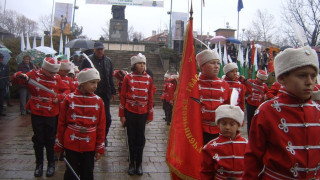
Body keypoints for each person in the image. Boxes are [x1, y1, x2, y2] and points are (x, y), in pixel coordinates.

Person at [243, 46, 320, 179]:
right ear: (282, 78)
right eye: (302, 75)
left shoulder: (317, 110)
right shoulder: (267, 111)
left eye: (313, 76)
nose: (309, 82)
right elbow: (253, 158)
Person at [11, 57, 70, 177]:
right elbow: (17, 81)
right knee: (38, 139)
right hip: (37, 111)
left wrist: (59, 97)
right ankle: (39, 165)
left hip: (51, 112)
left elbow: (67, 90)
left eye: (55, 72)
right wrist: (19, 75)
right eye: (51, 72)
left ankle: (51, 165)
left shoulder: (57, 78)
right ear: (43, 68)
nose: (53, 74)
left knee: (50, 139)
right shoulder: (33, 74)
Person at [55, 68, 106, 180]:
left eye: (97, 82)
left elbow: (101, 125)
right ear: (82, 83)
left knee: (87, 172)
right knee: (70, 173)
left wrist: (99, 147)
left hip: (89, 144)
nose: (95, 86)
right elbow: (62, 122)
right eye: (92, 82)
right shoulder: (69, 99)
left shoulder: (99, 101)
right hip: (71, 143)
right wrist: (59, 144)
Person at [119, 53, 153, 176]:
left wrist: (150, 114)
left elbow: (150, 97)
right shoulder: (127, 78)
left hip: (143, 113)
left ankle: (139, 163)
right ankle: (131, 164)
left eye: (143, 63)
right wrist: (122, 115)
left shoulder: (149, 78)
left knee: (140, 139)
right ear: (134, 65)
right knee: (131, 138)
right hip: (130, 111)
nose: (142, 65)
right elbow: (122, 97)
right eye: (140, 63)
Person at [80, 41, 116, 146]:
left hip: (105, 93)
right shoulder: (88, 60)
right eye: (98, 49)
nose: (100, 51)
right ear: (94, 50)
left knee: (107, 118)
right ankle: (91, 136)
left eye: (101, 49)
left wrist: (113, 91)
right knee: (91, 116)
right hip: (91, 92)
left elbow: (110, 77)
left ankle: (103, 137)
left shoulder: (108, 61)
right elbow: (81, 75)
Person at [200, 104, 247, 179]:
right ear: (218, 124)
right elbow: (206, 172)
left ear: (238, 125)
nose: (227, 127)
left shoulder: (247, 145)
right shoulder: (210, 147)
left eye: (232, 124)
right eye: (224, 123)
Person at [196, 49, 230, 145]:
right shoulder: (193, 85)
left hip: (219, 130)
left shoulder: (224, 85)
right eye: (212, 63)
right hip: (199, 130)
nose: (216, 67)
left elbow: (228, 107)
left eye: (218, 63)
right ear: (202, 66)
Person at [239, 70, 269, 135]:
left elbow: (268, 93)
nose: (262, 82)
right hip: (250, 105)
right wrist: (241, 77)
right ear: (257, 77)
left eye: (263, 80)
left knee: (258, 121)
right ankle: (250, 135)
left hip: (259, 106)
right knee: (250, 121)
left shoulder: (265, 86)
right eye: (261, 80)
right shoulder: (250, 82)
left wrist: (266, 96)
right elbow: (241, 81)